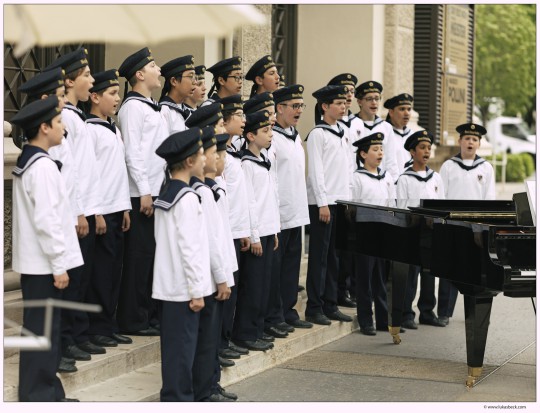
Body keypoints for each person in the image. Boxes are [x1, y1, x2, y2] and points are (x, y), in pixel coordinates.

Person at [11, 96, 83, 402]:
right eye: (58, 122)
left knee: (44, 331)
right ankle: (38, 395)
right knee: (42, 332)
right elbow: (47, 221)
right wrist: (58, 264)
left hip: (40, 264)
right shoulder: (41, 167)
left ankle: (46, 391)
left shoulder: (36, 161)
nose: (63, 128)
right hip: (44, 265)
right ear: (43, 127)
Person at [44, 48, 106, 361]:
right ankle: (67, 338)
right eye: (86, 75)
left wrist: (93, 209)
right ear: (69, 82)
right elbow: (72, 174)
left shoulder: (75, 116)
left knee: (83, 277)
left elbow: (86, 171)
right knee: (73, 280)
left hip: (86, 207)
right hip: (74, 211)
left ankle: (76, 335)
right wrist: (80, 212)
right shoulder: (66, 117)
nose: (92, 81)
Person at [152, 127, 207, 402]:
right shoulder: (186, 198)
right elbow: (190, 249)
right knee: (182, 353)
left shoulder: (167, 194)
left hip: (168, 285)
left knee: (174, 352)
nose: (205, 159)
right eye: (201, 154)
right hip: (183, 289)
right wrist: (197, 290)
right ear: (189, 161)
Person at [116, 47, 168, 336]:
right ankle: (133, 319)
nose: (158, 70)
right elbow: (133, 153)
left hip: (156, 191)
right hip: (141, 194)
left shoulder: (151, 106)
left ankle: (148, 314)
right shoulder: (132, 108)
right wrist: (145, 191)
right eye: (153, 66)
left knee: (152, 257)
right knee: (139, 257)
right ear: (139, 74)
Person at [84, 69, 133, 348]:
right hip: (101, 210)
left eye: (117, 93)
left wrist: (124, 207)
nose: (116, 99)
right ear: (94, 97)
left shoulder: (113, 128)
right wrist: (98, 212)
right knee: (100, 273)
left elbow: (118, 172)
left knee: (115, 269)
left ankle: (108, 323)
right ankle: (96, 328)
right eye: (112, 94)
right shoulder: (90, 130)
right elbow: (91, 175)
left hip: (117, 207)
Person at [265, 84, 313, 333]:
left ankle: (288, 310)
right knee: (276, 269)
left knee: (292, 268)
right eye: (294, 106)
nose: (299, 110)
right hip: (280, 213)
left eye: (301, 106)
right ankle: (274, 316)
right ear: (279, 108)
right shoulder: (272, 138)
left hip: (297, 211)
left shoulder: (295, 135)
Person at [189, 126, 232, 401]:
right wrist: (221, 275)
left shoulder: (210, 189)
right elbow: (212, 240)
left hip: (219, 270)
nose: (220, 158)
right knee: (206, 337)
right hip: (210, 274)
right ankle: (204, 389)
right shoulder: (201, 192)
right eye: (216, 153)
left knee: (212, 336)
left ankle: (213, 383)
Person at [232, 110, 281, 351]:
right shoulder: (246, 163)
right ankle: (245, 332)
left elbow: (271, 198)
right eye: (265, 130)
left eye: (270, 130)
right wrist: (254, 235)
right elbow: (249, 201)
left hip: (268, 229)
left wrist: (274, 230)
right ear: (250, 135)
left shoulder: (264, 160)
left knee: (263, 285)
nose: (270, 134)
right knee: (252, 285)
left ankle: (257, 329)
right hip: (256, 233)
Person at [437, 123, 495, 325]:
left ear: (479, 143)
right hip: (452, 225)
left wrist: (481, 228)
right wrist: (441, 223)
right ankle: (444, 312)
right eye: (467, 138)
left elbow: (488, 201)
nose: (470, 142)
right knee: (448, 268)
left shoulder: (486, 168)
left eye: (474, 139)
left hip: (473, 229)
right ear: (460, 141)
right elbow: (441, 197)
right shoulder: (448, 166)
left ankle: (473, 311)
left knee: (473, 271)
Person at [305, 85, 353, 326]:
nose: (344, 107)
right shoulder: (318, 134)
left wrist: (349, 200)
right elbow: (316, 171)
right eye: (339, 103)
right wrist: (322, 202)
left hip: (340, 202)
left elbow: (348, 169)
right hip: (323, 204)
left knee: (335, 257)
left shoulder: (344, 131)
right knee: (320, 257)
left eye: (345, 103)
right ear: (325, 106)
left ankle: (330, 304)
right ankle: (314, 307)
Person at [396, 130, 446, 329]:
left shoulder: (436, 178)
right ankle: (406, 313)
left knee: (429, 271)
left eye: (429, 148)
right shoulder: (405, 179)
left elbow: (441, 204)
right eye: (422, 148)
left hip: (431, 230)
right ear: (412, 152)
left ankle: (427, 311)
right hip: (412, 229)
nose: (426, 151)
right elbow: (401, 207)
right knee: (411, 272)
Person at [350, 133, 396, 335]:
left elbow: (392, 204)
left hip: (383, 233)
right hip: (365, 233)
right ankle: (366, 319)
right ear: (363, 154)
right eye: (375, 150)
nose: (380, 153)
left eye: (381, 149)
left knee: (381, 278)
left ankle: (383, 319)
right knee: (365, 278)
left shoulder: (387, 177)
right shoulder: (357, 178)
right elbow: (352, 207)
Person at [326, 73, 359, 309]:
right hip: (330, 195)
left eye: (351, 91)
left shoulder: (353, 125)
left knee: (346, 249)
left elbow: (351, 163)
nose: (348, 95)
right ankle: (331, 294)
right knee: (331, 252)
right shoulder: (325, 127)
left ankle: (343, 290)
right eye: (343, 90)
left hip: (348, 191)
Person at [353, 81, 399, 180]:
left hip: (380, 181)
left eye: (377, 98)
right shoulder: (351, 124)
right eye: (369, 99)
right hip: (357, 181)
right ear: (359, 102)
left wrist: (393, 183)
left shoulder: (386, 127)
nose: (374, 102)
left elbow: (391, 161)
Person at [159, 55, 197, 133]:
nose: (195, 82)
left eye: (195, 77)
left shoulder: (187, 111)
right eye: (190, 76)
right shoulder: (164, 111)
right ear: (174, 81)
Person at [384, 93, 415, 176]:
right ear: (391, 112)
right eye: (402, 109)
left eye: (409, 109)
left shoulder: (412, 135)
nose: (406, 113)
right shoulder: (384, 133)